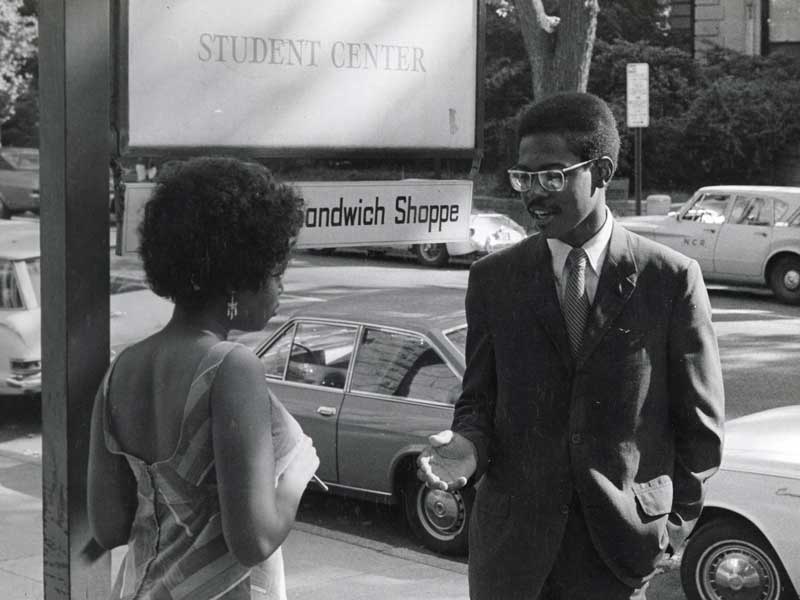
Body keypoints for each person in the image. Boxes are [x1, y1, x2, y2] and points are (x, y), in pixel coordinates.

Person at [418, 92, 725, 599]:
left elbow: (701, 429)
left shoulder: (670, 280)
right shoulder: (493, 279)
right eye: (523, 177)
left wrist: (670, 531)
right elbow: (478, 401)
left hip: (618, 560)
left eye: (552, 175)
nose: (533, 194)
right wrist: (468, 448)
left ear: (601, 172)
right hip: (511, 562)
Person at [87, 156, 319, 599]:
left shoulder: (121, 369)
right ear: (237, 279)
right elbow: (255, 541)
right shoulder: (230, 367)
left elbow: (109, 528)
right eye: (275, 274)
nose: (281, 290)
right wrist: (298, 474)